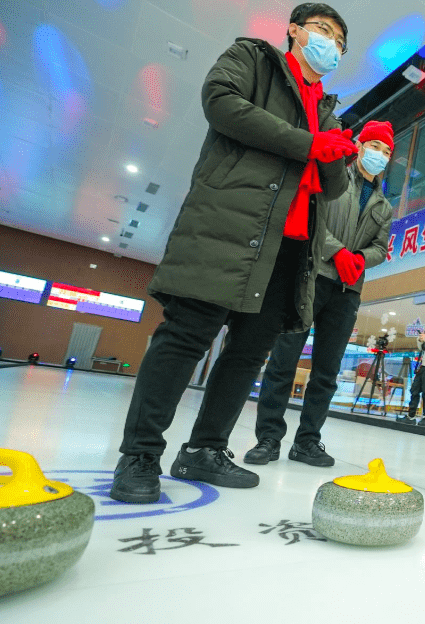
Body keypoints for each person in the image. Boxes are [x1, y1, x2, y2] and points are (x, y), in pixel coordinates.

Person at [110, 3, 358, 503]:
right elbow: (220, 102)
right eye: (323, 31)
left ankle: (205, 449)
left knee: (247, 354)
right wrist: (309, 144)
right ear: (294, 30)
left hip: (291, 248)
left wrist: (337, 153)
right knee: (186, 337)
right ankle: (139, 456)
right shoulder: (254, 59)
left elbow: (331, 189)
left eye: (339, 41)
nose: (330, 44)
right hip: (229, 224)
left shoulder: (328, 110)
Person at [244, 120, 396, 467]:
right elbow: (315, 221)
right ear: (359, 146)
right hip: (312, 277)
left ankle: (308, 441)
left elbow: (381, 247)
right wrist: (337, 252)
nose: (380, 155)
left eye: (386, 151)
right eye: (375, 146)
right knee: (284, 360)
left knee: (326, 372)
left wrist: (359, 259)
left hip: (348, 290)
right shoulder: (333, 180)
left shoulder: (384, 206)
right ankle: (268, 438)